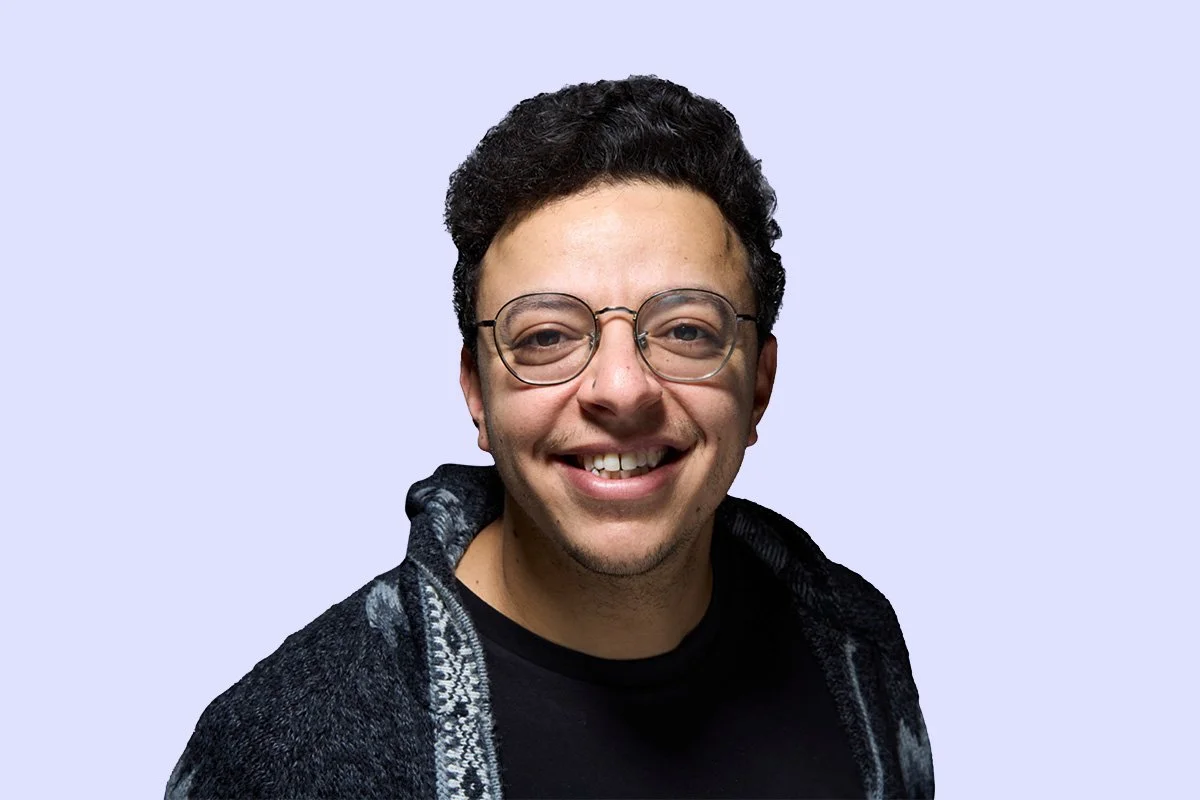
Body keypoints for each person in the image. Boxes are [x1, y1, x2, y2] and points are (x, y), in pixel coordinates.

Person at [166, 76, 934, 800]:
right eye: (546, 338)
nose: (621, 388)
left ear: (758, 384)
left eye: (685, 330)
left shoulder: (855, 641)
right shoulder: (281, 750)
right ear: (476, 391)